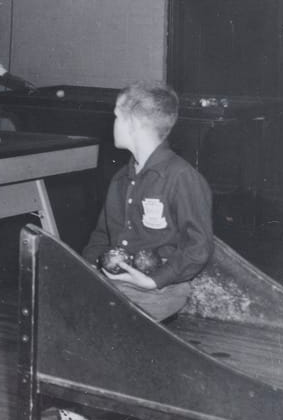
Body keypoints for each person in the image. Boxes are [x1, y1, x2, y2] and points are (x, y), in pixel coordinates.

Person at [81, 81, 214, 322]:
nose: (112, 124)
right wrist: (89, 269)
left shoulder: (182, 178)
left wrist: (154, 280)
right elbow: (101, 236)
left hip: (161, 290)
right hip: (116, 285)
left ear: (133, 123)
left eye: (116, 117)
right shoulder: (121, 178)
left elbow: (199, 247)